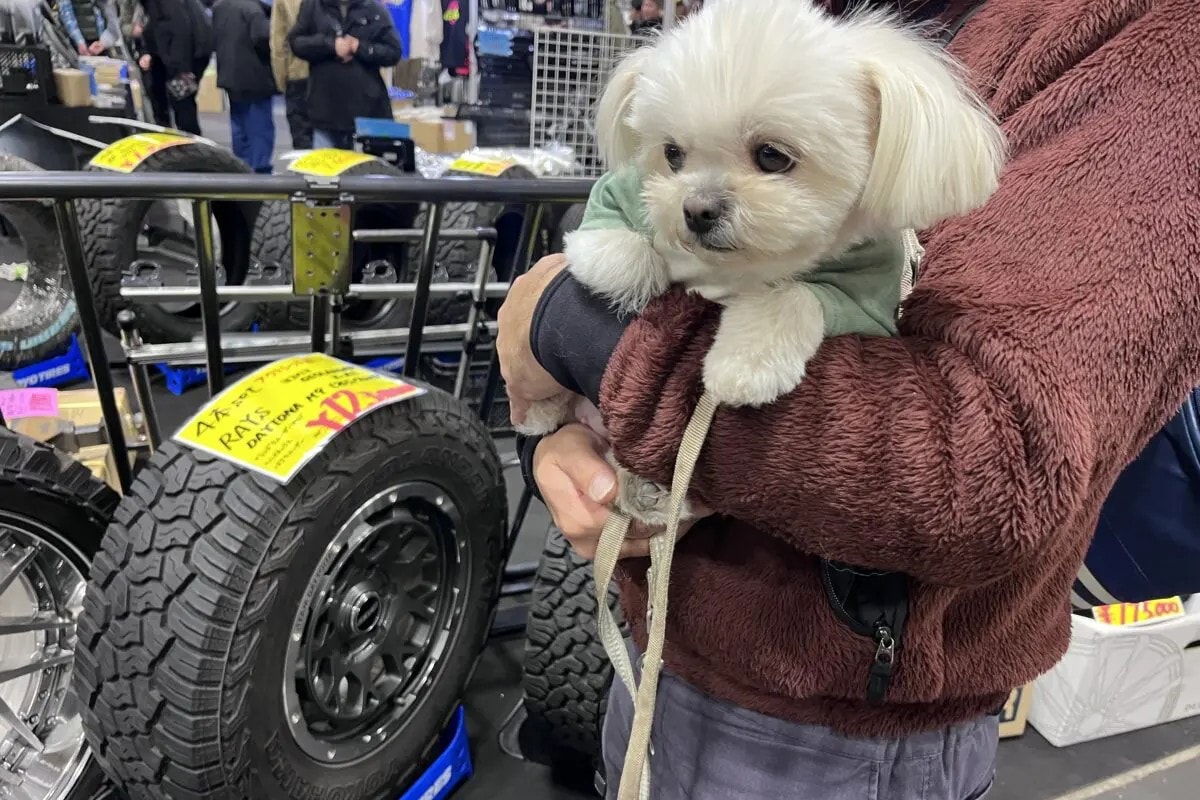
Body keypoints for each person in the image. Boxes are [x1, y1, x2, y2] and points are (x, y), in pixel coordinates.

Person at [497, 0, 1200, 797]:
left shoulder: (1142, 43)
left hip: (833, 738)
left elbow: (990, 471)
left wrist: (572, 332)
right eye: (677, 155)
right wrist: (564, 437)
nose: (700, 199)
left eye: (771, 155)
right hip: (654, 649)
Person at [287, 0, 402, 151]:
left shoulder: (373, 9)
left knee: (365, 164)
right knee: (325, 165)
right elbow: (296, 42)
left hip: (366, 113)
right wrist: (331, 45)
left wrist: (360, 47)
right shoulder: (313, 6)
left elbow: (393, 52)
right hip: (324, 111)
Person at [212, 0, 275, 172]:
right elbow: (263, 38)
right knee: (259, 129)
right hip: (254, 77)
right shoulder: (253, 10)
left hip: (229, 75)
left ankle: (242, 170)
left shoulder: (220, 7)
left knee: (239, 127)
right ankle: (260, 172)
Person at [138, 0, 211, 135]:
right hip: (184, 54)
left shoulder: (166, 4)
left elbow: (181, 31)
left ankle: (189, 142)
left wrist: (181, 69)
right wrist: (148, 52)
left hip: (186, 57)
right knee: (178, 101)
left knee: (183, 103)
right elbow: (156, 28)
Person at [270, 0, 312, 149]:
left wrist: (282, 80)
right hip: (332, 73)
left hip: (298, 73)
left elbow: (278, 43)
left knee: (302, 142)